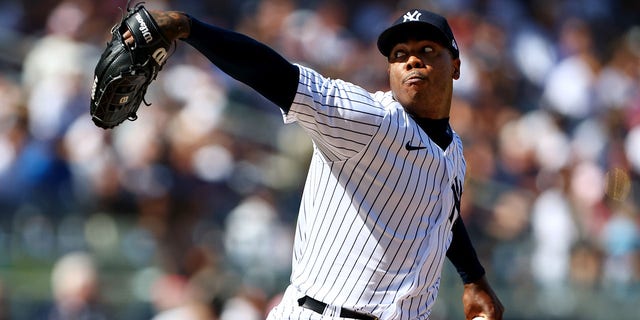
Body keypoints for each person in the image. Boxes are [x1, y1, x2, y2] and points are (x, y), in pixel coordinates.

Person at [124, 7, 504, 320]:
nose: (412, 61)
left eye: (427, 50)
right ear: (389, 70)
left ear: (455, 65)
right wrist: (189, 28)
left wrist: (474, 279)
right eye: (399, 55)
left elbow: (443, 214)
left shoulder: (452, 151)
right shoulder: (372, 120)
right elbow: (276, 75)